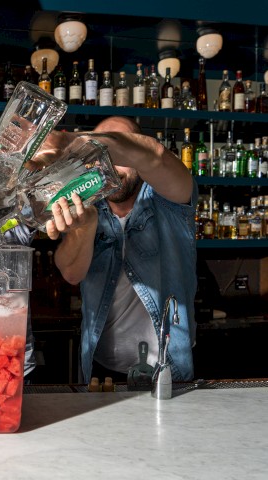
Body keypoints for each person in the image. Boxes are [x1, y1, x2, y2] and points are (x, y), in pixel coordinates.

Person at [45, 116, 198, 383]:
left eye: (116, 154)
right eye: (99, 158)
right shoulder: (88, 206)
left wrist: (70, 141)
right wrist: (85, 227)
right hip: (100, 372)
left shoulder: (170, 201)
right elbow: (71, 273)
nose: (111, 167)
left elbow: (157, 156)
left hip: (167, 373)